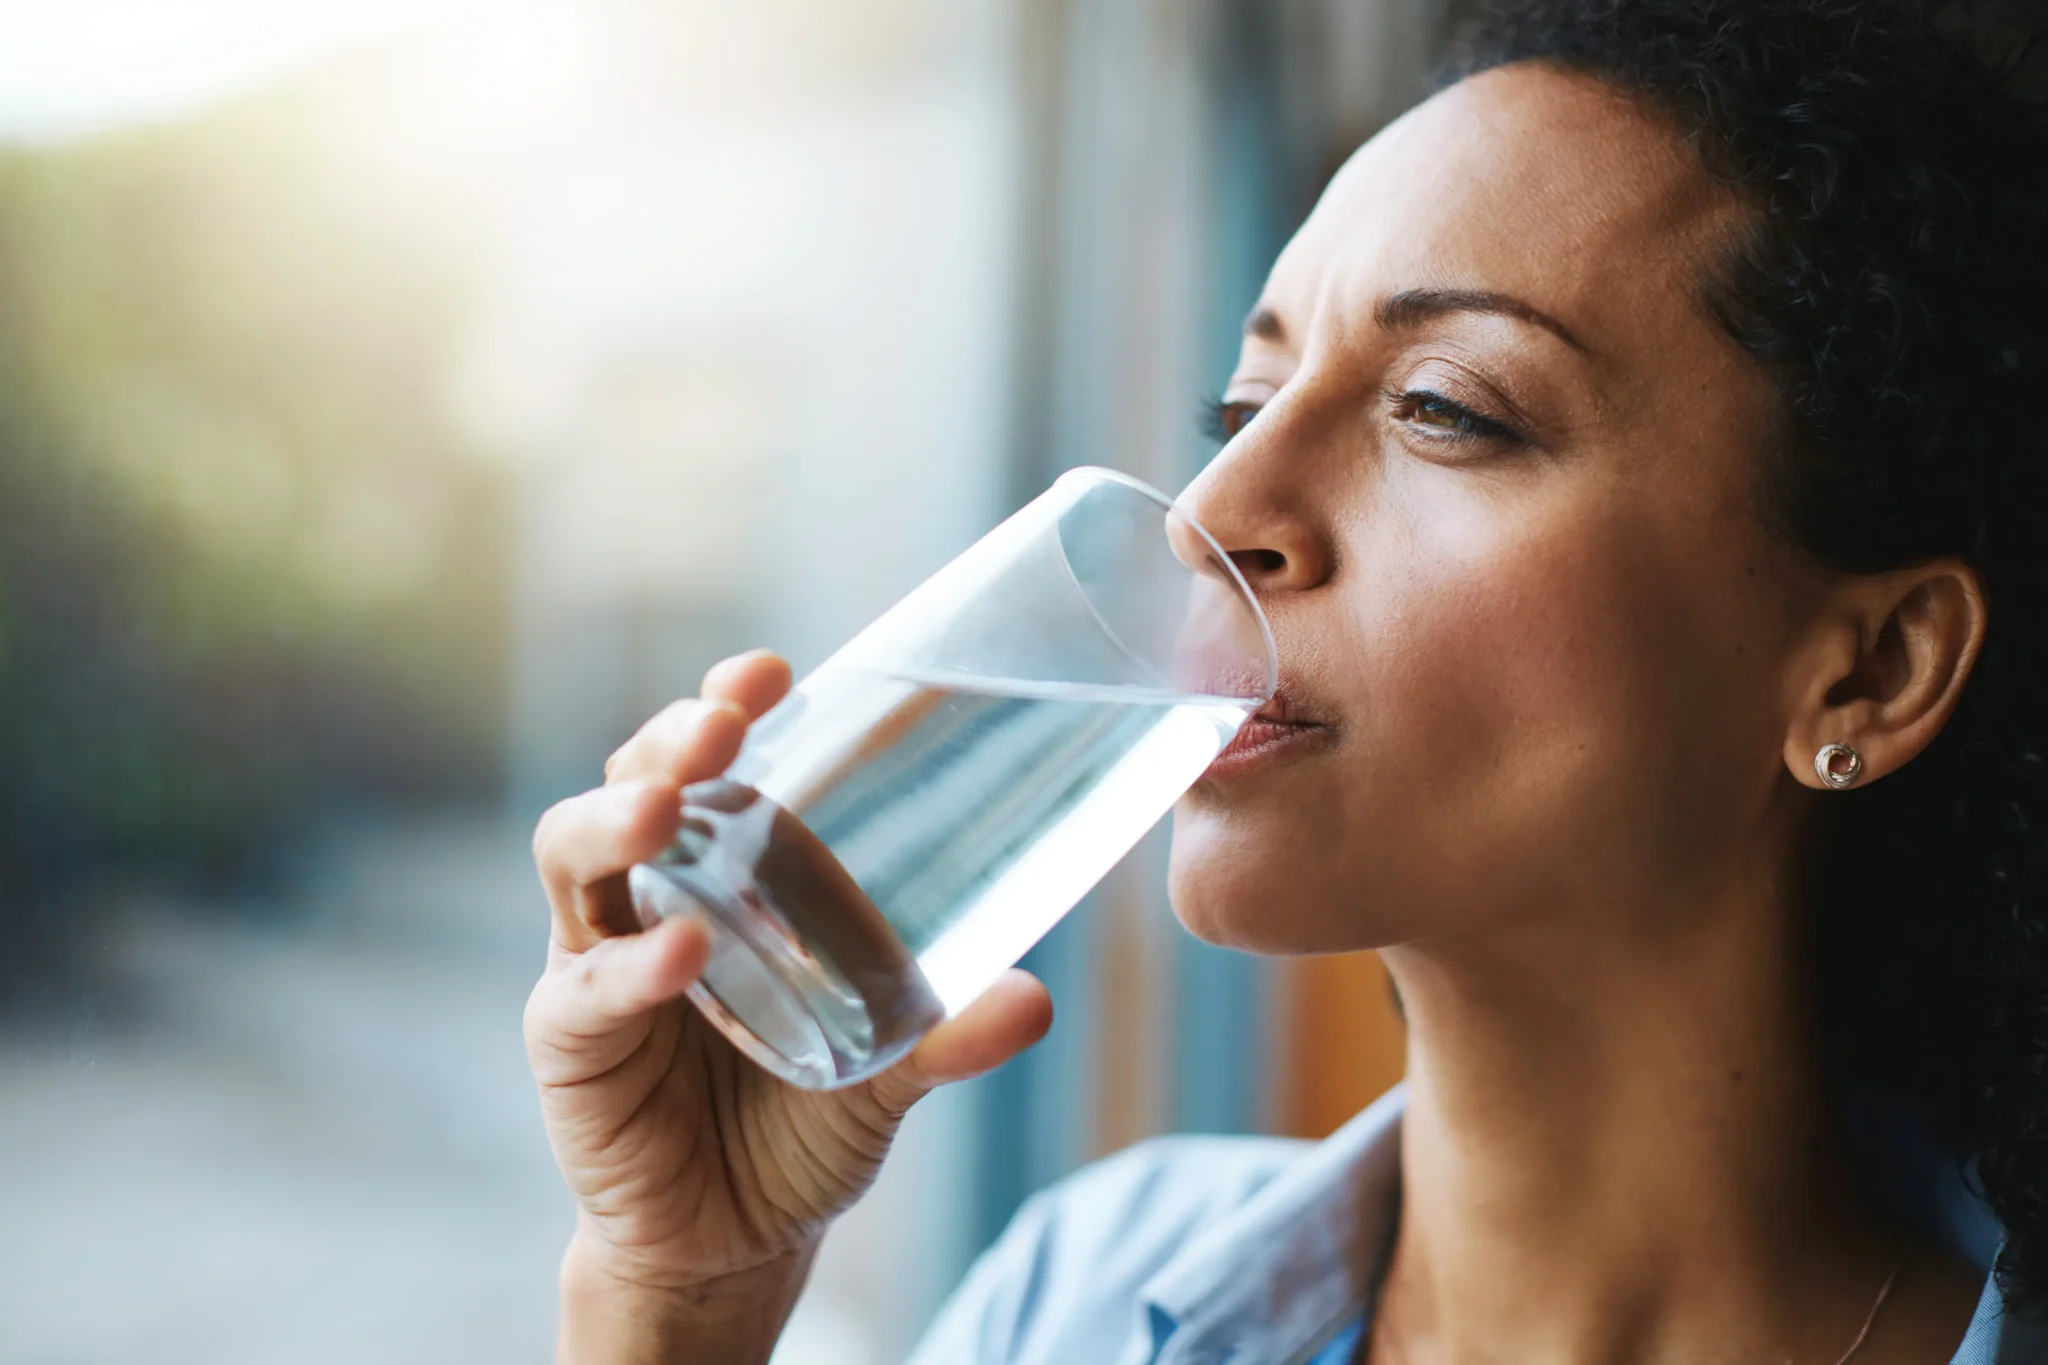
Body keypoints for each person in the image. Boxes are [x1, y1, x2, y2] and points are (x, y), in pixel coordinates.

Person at [523, 1, 2048, 1359]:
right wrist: (681, 1303)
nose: (1212, 513)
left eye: (1446, 408)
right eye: (1243, 399)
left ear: (1869, 671)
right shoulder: (1079, 1301)